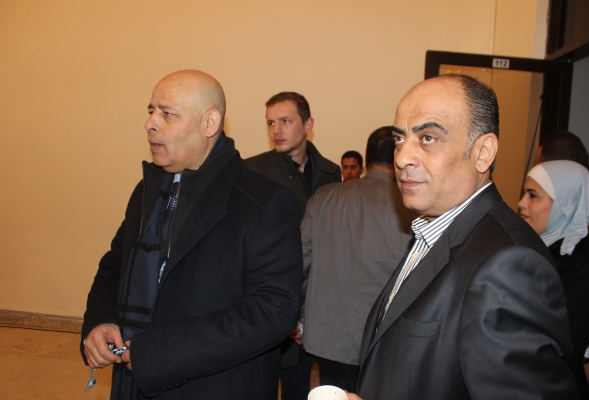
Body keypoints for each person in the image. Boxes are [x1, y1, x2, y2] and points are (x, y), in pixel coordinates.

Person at [347, 74, 576, 400]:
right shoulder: (438, 229)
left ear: (483, 152)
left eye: (428, 138)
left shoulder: (508, 265)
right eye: (400, 138)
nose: (401, 157)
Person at [81, 70, 302, 400]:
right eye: (151, 111)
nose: (150, 123)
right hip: (132, 381)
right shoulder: (148, 190)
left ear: (209, 123)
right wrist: (100, 320)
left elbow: (273, 311)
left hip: (216, 387)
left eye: (167, 114)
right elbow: (116, 264)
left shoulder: (264, 201)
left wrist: (158, 353)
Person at [300, 127, 416, 392]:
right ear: (397, 156)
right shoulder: (411, 205)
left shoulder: (324, 197)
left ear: (367, 158)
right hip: (384, 340)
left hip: (328, 335)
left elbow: (300, 260)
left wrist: (301, 312)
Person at [245, 91, 340, 400]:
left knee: (299, 387)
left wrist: (311, 309)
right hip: (268, 296)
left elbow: (329, 241)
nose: (276, 130)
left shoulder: (330, 172)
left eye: (285, 121)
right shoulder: (252, 170)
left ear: (308, 124)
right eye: (270, 122)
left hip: (311, 298)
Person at [519, 160, 589, 399]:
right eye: (524, 193)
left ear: (565, 204)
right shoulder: (529, 247)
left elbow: (560, 346)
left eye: (533, 195)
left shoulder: (588, 267)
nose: (521, 202)